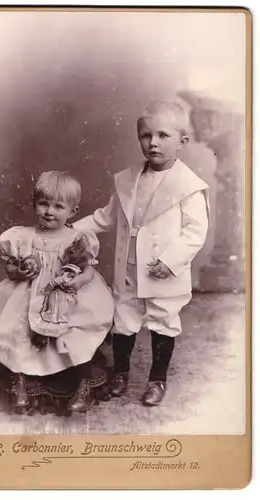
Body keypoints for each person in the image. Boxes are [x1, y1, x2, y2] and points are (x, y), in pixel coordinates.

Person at [74, 100, 210, 407]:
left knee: (163, 320)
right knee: (124, 318)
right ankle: (120, 374)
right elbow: (105, 217)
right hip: (129, 266)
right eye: (145, 135)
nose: (153, 143)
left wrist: (170, 260)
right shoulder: (128, 179)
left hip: (162, 268)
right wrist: (72, 229)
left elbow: (195, 231)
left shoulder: (188, 185)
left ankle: (157, 380)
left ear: (182, 141)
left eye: (163, 135)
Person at [0, 171, 114, 415]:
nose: (49, 211)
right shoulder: (23, 237)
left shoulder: (77, 239)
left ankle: (81, 383)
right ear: (34, 204)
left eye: (59, 206)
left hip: (62, 295)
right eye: (43, 204)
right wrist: (18, 271)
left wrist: (78, 282)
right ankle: (20, 381)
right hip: (28, 292)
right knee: (16, 330)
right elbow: (10, 266)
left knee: (74, 334)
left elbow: (88, 270)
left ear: (73, 212)